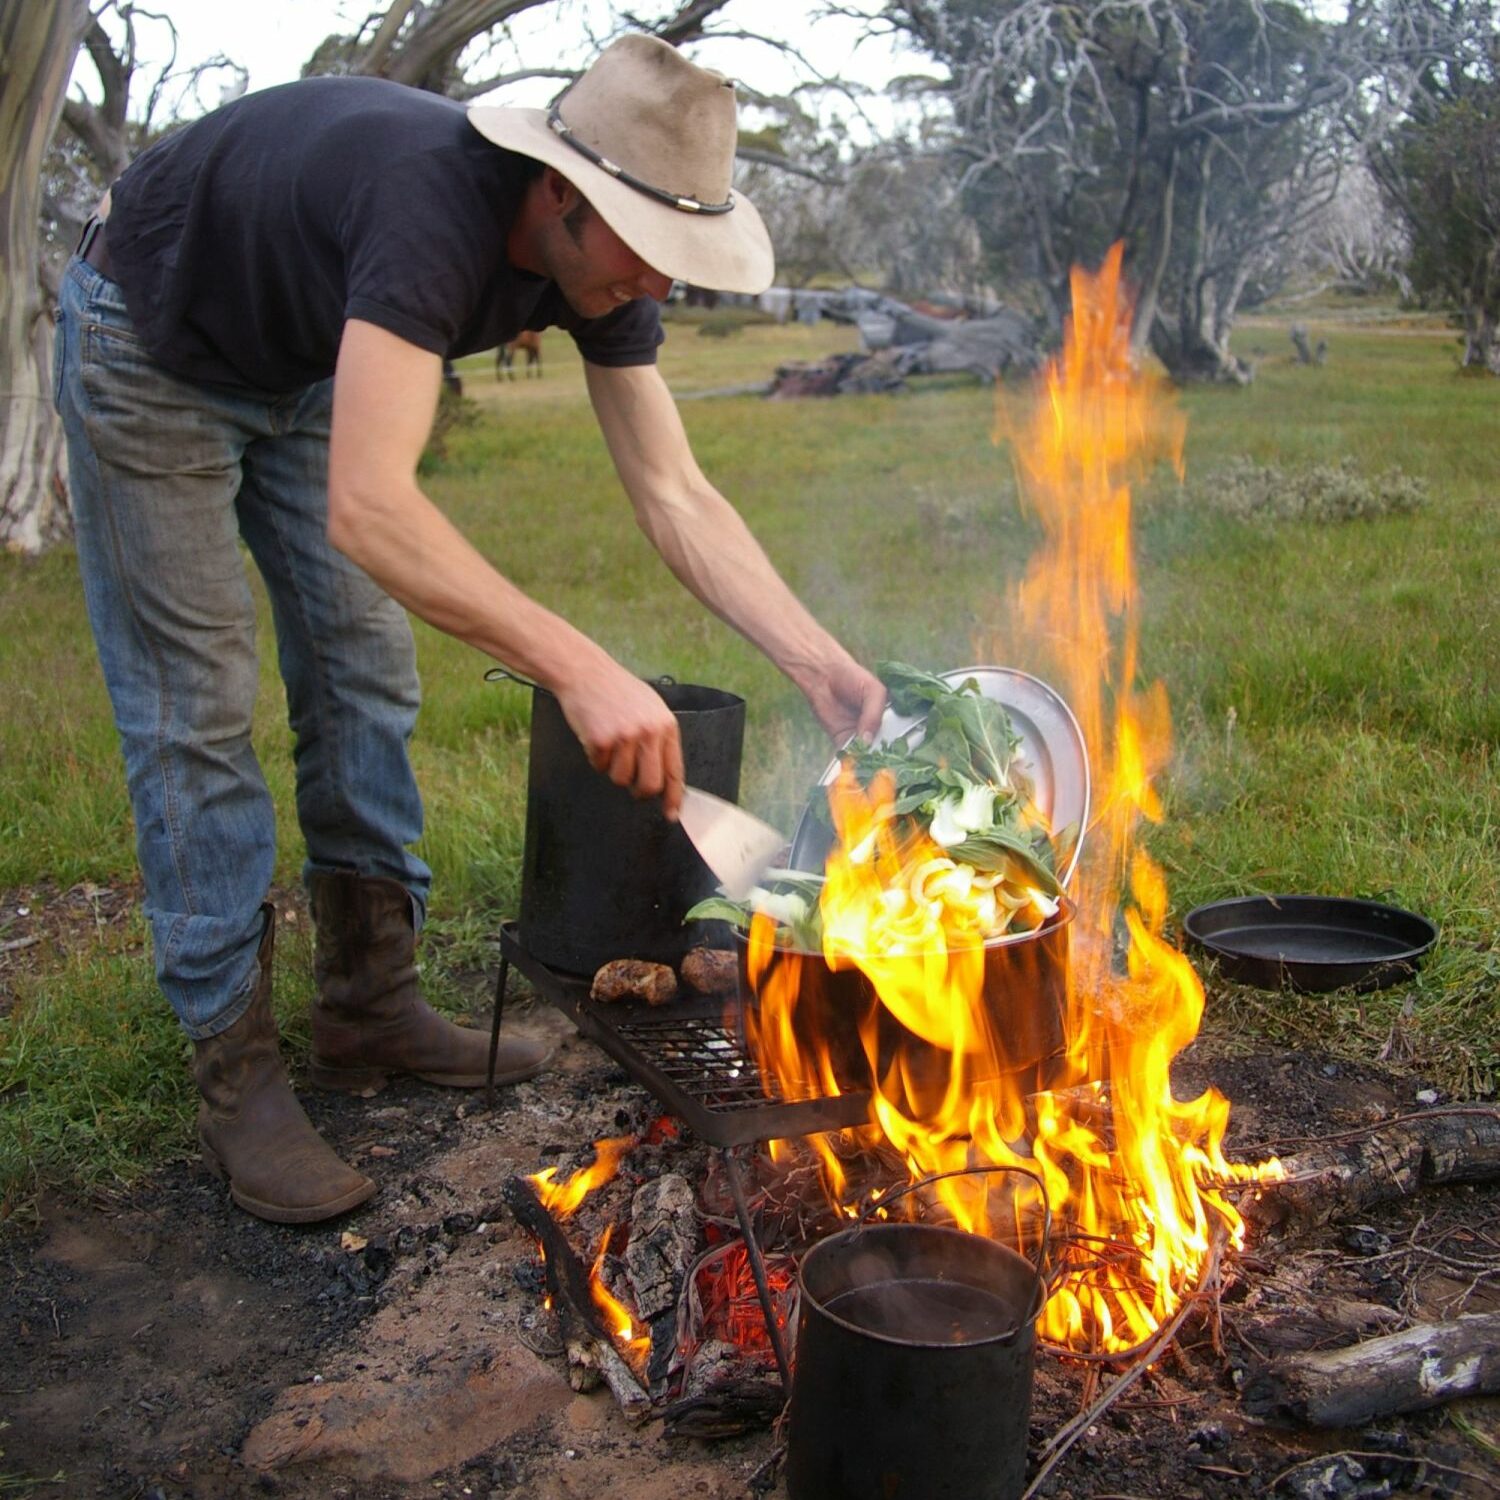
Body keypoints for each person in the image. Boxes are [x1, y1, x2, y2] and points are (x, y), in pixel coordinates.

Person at [52, 33, 887, 1226]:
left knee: (364, 676)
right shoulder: (428, 209)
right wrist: (579, 664)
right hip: (156, 338)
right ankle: (235, 1078)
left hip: (301, 363)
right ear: (561, 191)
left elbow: (676, 494)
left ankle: (369, 1003)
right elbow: (372, 505)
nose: (662, 284)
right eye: (652, 251)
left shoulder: (602, 261)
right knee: (198, 711)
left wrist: (815, 660)